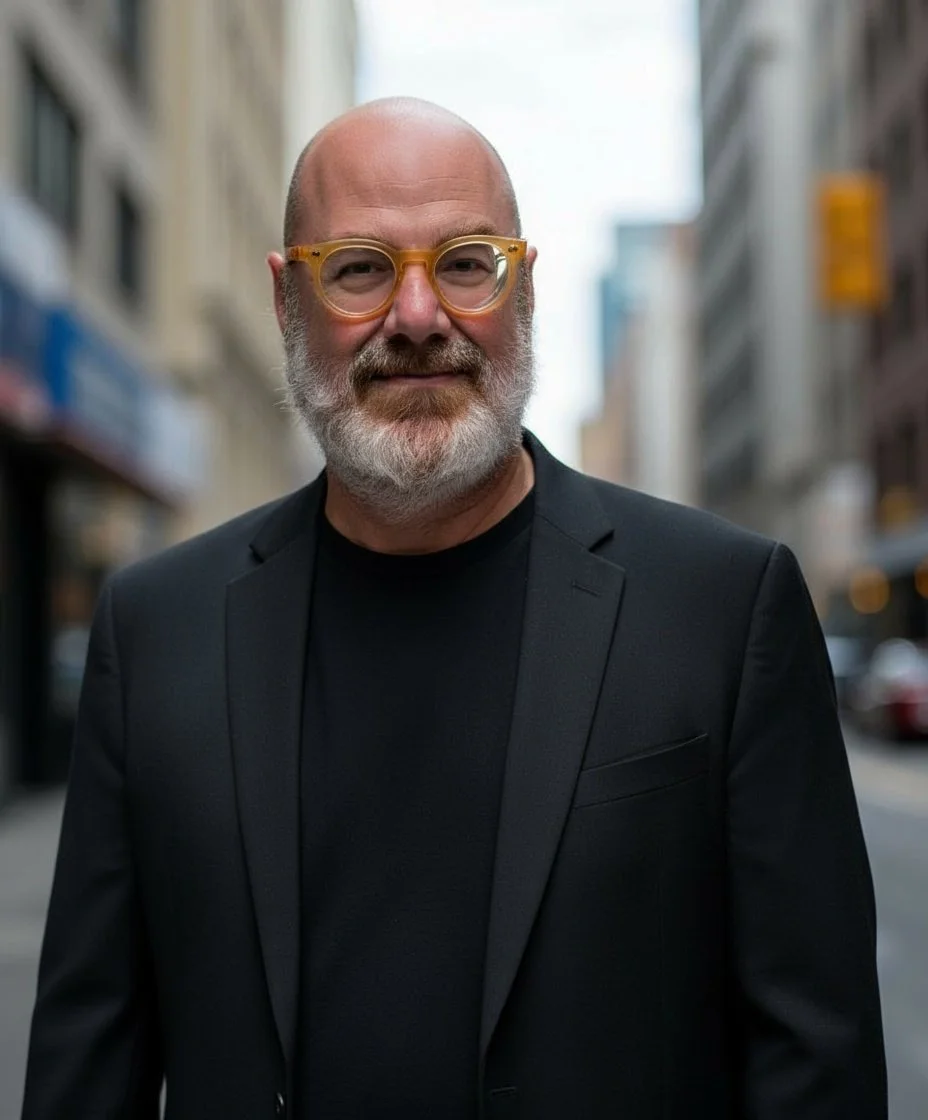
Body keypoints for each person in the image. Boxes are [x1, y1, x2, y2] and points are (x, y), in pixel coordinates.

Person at [22, 98, 886, 1119]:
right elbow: (87, 1068)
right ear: (286, 301)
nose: (420, 317)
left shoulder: (724, 608)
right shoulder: (156, 627)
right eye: (360, 268)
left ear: (522, 291)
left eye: (467, 263)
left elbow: (815, 1066)